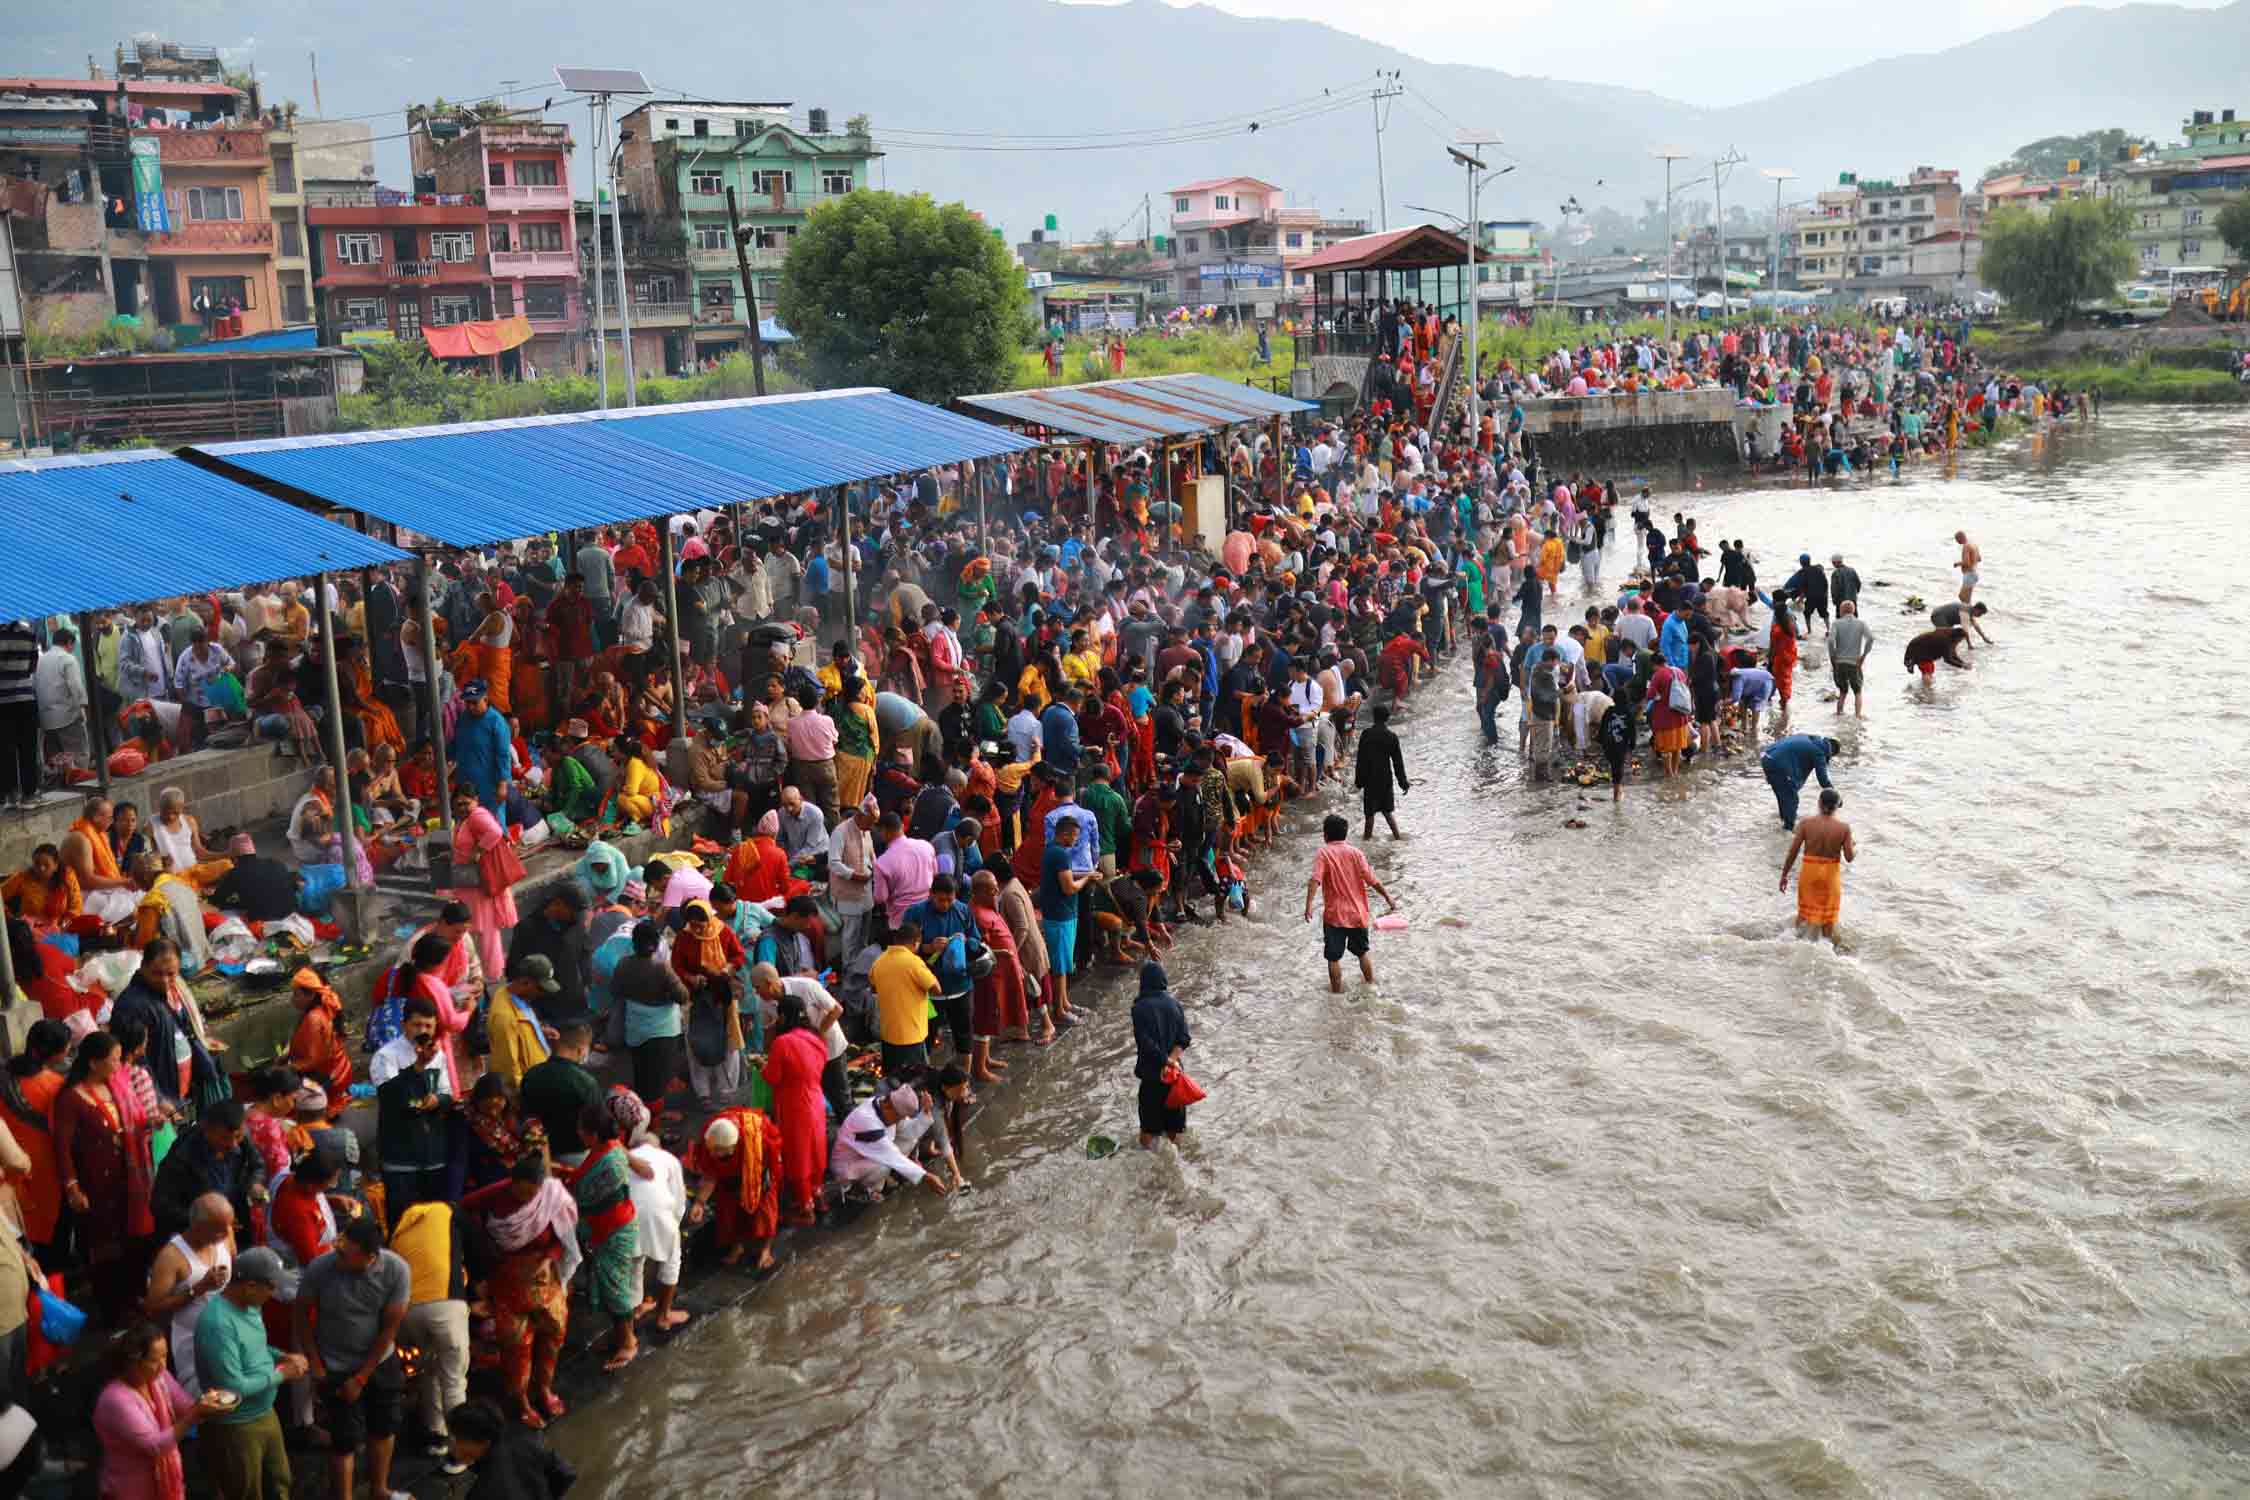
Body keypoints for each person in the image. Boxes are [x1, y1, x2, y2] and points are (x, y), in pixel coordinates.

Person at [294, 1214, 413, 1500]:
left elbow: (389, 1329)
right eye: (338, 1248)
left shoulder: (396, 1271)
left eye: (346, 1254)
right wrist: (316, 1364)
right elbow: (300, 1314)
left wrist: (361, 1377)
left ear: (370, 1257)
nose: (338, 1256)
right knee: (343, 1440)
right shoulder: (321, 1268)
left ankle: (379, 1489)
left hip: (379, 1361)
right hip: (333, 1362)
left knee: (383, 1428)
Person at [461, 1156, 573, 1429]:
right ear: (513, 1182)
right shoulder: (495, 1194)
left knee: (553, 1334)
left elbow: (563, 1235)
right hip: (508, 1281)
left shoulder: (551, 1196)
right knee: (516, 1344)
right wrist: (484, 1252)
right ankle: (521, 1402)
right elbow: (462, 1210)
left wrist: (549, 1259)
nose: (526, 1198)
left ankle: (544, 1389)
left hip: (544, 1279)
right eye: (522, 1191)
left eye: (532, 1192)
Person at [52, 1032, 157, 1323]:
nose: (118, 1063)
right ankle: (112, 1310)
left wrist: (151, 1121)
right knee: (104, 1250)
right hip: (96, 1186)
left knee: (135, 1241)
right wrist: (72, 1187)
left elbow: (135, 1123)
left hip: (129, 1182)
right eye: (113, 1058)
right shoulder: (71, 1099)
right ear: (94, 1063)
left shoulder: (119, 1086)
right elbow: (62, 1147)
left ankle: (136, 1297)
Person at [192, 1247, 308, 1500]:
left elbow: (254, 1346)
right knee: (247, 1492)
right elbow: (232, 1387)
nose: (274, 1294)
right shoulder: (218, 1325)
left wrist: (281, 1356)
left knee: (280, 1482)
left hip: (265, 1411)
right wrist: (283, 1374)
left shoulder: (251, 1306)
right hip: (238, 1425)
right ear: (250, 1286)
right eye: (271, 1288)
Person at [92, 1324, 235, 1500]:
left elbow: (184, 1405)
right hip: (130, 1489)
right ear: (134, 1363)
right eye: (154, 1360)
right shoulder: (116, 1400)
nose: (162, 1365)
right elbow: (154, 1446)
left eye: (165, 1356)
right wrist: (195, 1414)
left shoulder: (159, 1377)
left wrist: (210, 1403)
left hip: (159, 1484)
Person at [569, 1103, 643, 1373]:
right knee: (613, 1282)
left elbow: (585, 1193)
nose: (578, 1132)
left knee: (615, 1287)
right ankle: (620, 1335)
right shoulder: (611, 1147)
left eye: (581, 1128)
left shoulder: (607, 1159)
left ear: (592, 1134)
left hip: (613, 1229)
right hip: (611, 1225)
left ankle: (628, 1342)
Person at [140, 1190, 235, 1396]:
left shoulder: (225, 1238)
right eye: (219, 1230)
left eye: (229, 1226)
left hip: (227, 1333)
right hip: (191, 1341)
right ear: (198, 1227)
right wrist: (198, 1289)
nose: (227, 1234)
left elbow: (234, 1268)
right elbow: (152, 1308)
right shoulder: (171, 1256)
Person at [760, 993, 830, 1227]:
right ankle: (818, 1196)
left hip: (794, 1103)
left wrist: (762, 1065)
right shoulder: (816, 1038)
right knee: (816, 1149)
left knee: (798, 1154)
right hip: (816, 1099)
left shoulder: (783, 1043)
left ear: (782, 1016)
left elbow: (772, 1076)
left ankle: (805, 1208)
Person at [1305, 814, 1396, 993]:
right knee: (1362, 953)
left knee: (1333, 958)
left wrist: (1308, 906)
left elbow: (1315, 880)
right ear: (1345, 834)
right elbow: (1372, 880)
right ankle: (1371, 987)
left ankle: (1336, 995)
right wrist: (1388, 897)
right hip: (1357, 914)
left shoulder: (1323, 853)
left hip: (1335, 916)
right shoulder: (1356, 853)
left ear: (1325, 835)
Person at [684, 1106, 782, 1270]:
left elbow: (769, 1163)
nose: (713, 1154)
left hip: (757, 1171)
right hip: (729, 1178)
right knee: (728, 1210)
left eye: (717, 1151)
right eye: (711, 1150)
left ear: (733, 1147)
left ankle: (766, 1249)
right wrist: (699, 1203)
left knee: (765, 1210)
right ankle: (737, 1246)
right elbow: (710, 1174)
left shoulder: (756, 1139)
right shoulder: (711, 1138)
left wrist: (751, 1186)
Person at [443, 1397, 577, 1500]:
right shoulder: (527, 1439)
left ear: (482, 1442)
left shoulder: (482, 1493)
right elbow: (566, 1473)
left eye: (458, 1439)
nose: (452, 1446)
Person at [1781, 787, 1857, 946]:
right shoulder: (1844, 828)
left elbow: (1793, 851)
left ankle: (1792, 945)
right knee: (1828, 920)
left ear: (1819, 803)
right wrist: (1855, 848)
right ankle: (1828, 951)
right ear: (1837, 806)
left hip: (1809, 873)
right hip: (1830, 875)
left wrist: (1784, 875)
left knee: (1803, 915)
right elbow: (1849, 858)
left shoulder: (1806, 823)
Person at [1130, 961, 1192, 1150]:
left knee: (1148, 1132)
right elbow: (1184, 1038)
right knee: (1175, 1130)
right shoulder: (1175, 1005)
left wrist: (1164, 1061)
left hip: (1152, 1078)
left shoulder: (1139, 1008)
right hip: (1174, 1077)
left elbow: (1146, 1044)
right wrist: (1172, 1061)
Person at [1759, 734, 1840, 831]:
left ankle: (1784, 819)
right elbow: (1823, 780)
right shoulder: (1820, 752)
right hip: (1778, 763)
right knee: (1792, 798)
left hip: (1767, 757)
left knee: (1784, 795)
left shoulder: (1809, 739)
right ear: (1831, 752)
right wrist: (1836, 797)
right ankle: (1788, 830)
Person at [1353, 702, 1409, 840]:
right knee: (1387, 812)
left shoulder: (1366, 734)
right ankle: (1398, 839)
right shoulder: (1392, 736)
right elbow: (1398, 763)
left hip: (1370, 779)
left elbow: (1360, 760)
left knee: (1369, 814)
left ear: (1373, 717)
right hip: (1385, 779)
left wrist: (1359, 781)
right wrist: (1403, 782)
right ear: (1387, 718)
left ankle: (1366, 841)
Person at [1828, 600, 1874, 719]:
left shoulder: (1836, 623)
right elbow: (1871, 638)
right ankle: (1857, 716)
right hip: (1854, 662)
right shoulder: (1861, 624)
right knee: (1857, 691)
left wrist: (1833, 657)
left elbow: (1831, 641)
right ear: (1853, 610)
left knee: (1843, 691)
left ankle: (1839, 715)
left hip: (1840, 662)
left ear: (1841, 610)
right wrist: (1863, 655)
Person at [1903, 626, 1972, 680]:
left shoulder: (1949, 636)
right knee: (1927, 669)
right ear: (1957, 638)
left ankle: (1925, 689)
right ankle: (1927, 692)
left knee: (1930, 670)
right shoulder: (1945, 641)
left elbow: (1953, 654)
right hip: (1918, 651)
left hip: (1922, 649)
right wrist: (1962, 666)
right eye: (1960, 640)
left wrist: (1963, 663)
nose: (1959, 642)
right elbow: (1948, 660)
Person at [1954, 529, 1981, 607]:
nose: (1957, 542)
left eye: (1957, 540)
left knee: (1962, 597)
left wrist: (1957, 564)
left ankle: (1968, 614)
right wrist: (1972, 562)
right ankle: (1969, 615)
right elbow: (1979, 559)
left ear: (1960, 538)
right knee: (1967, 599)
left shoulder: (1966, 546)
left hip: (1969, 574)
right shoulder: (1973, 545)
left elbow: (1967, 563)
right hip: (1974, 573)